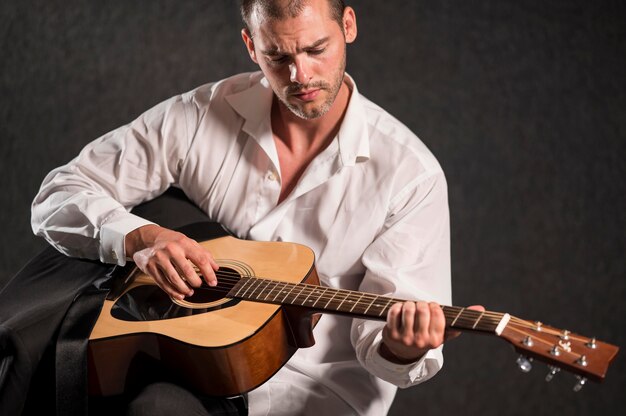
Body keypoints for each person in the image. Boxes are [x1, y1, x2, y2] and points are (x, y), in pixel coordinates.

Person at [30, 0, 480, 414]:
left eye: (316, 49)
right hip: (186, 369)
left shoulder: (410, 175)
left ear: (348, 25)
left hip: (313, 397)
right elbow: (60, 192)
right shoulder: (203, 114)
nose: (300, 75)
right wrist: (143, 239)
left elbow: (385, 357)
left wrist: (403, 346)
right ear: (251, 45)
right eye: (279, 57)